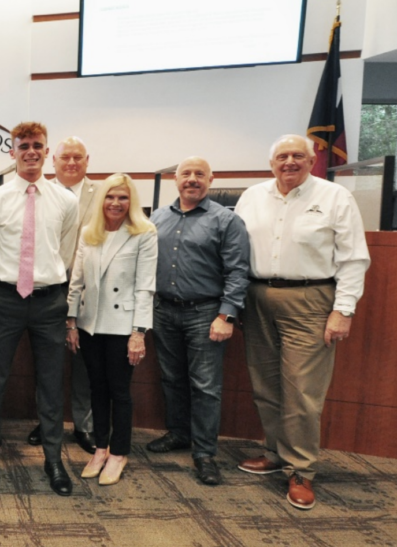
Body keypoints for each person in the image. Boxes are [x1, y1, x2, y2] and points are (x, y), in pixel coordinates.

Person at [234, 134, 369, 510]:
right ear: (271, 162)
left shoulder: (334, 197)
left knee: (302, 392)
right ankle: (275, 453)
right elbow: (235, 249)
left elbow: (354, 258)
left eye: (298, 155)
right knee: (265, 384)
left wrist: (343, 310)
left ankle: (302, 470)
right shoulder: (253, 196)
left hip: (311, 299)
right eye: (282, 156)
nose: (289, 162)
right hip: (257, 297)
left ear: (312, 161)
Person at [0, 121, 79, 495]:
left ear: (46, 151)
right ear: (12, 152)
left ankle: (53, 460)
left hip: (50, 300)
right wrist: (3, 281)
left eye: (37, 145)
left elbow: (65, 253)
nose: (31, 152)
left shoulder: (66, 201)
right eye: (24, 146)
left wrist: (45, 280)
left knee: (51, 384)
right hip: (4, 298)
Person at [148, 157, 250, 486]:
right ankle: (179, 433)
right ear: (175, 180)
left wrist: (227, 314)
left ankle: (205, 453)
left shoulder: (226, 221)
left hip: (206, 313)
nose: (192, 180)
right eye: (186, 174)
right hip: (163, 310)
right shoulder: (157, 218)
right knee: (171, 378)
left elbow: (237, 271)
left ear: (211, 180)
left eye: (199, 175)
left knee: (205, 386)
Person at [66, 174, 157, 485]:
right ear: (101, 200)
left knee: (119, 391)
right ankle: (101, 449)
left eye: (122, 197)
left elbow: (145, 287)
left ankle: (119, 452)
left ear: (131, 201)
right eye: (110, 197)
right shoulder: (90, 232)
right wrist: (71, 321)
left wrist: (139, 333)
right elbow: (76, 281)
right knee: (97, 389)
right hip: (90, 324)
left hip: (122, 326)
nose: (115, 203)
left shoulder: (143, 232)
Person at [28, 136, 99, 454]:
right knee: (46, 363)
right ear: (51, 160)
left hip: (89, 291)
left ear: (88, 161)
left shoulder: (104, 195)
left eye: (78, 157)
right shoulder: (39, 191)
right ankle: (46, 422)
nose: (71, 162)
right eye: (65, 157)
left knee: (84, 362)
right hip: (48, 290)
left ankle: (84, 426)